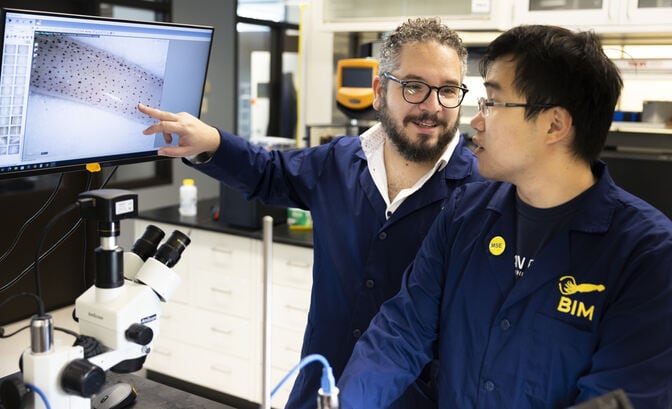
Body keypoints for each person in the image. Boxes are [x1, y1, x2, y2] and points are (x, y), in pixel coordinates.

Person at [137, 17, 482, 409]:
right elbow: (269, 173)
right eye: (414, 87)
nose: (432, 106)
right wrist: (211, 143)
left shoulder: (482, 193)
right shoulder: (339, 162)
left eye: (449, 90)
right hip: (321, 384)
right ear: (378, 91)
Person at [336, 24, 672, 409]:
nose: (475, 122)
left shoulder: (647, 257)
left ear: (554, 124)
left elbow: (619, 398)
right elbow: (400, 334)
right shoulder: (464, 215)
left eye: (492, 104)